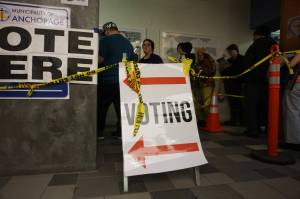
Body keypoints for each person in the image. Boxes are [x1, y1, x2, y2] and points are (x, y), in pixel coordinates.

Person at [98, 22, 134, 139]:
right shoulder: (128, 43)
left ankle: (99, 133)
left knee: (102, 108)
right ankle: (120, 133)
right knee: (121, 109)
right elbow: (132, 61)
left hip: (108, 80)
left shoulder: (105, 41)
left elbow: (100, 59)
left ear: (107, 31)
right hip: (124, 81)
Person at [243, 26, 277, 138]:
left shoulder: (255, 45)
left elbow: (247, 63)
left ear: (257, 35)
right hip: (271, 81)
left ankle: (253, 130)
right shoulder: (275, 45)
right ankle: (267, 128)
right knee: (267, 105)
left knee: (252, 106)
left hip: (253, 80)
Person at [221, 44, 245, 126]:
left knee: (240, 103)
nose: (230, 53)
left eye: (231, 51)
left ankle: (242, 121)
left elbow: (242, 71)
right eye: (229, 52)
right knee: (232, 104)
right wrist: (223, 65)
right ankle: (233, 120)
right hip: (230, 84)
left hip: (239, 84)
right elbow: (224, 72)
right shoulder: (229, 60)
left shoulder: (242, 59)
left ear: (236, 50)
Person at [282, 53, 300, 150]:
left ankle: (294, 141)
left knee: (292, 112)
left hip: (296, 85)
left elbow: (290, 65)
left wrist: (285, 59)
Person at [193, 48, 216, 125]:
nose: (199, 56)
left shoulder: (210, 61)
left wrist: (201, 70)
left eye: (200, 54)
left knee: (206, 104)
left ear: (204, 54)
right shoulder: (198, 62)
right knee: (199, 104)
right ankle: (201, 120)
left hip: (207, 85)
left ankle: (208, 121)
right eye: (198, 55)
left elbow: (211, 72)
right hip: (198, 85)